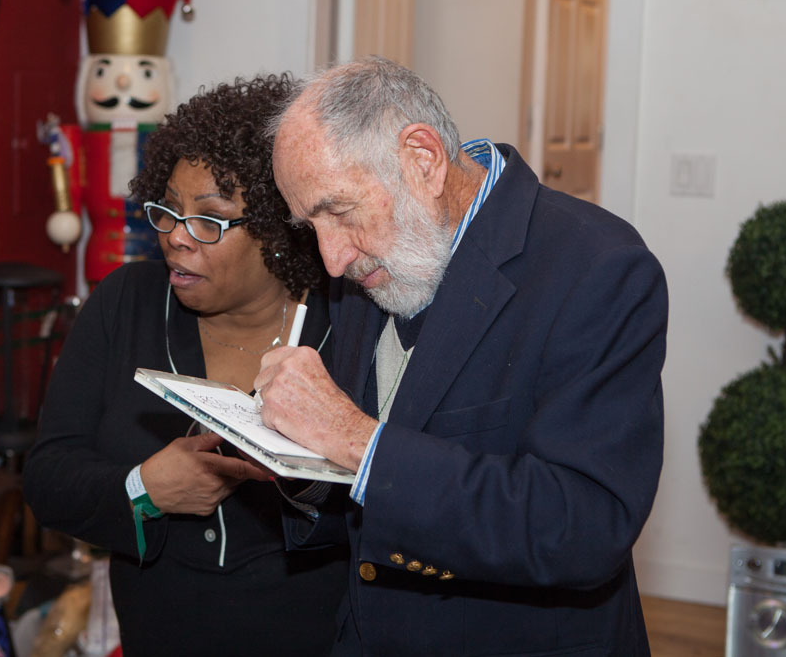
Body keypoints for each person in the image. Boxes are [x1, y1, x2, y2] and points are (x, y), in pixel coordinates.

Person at [254, 56, 668, 655]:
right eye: (309, 224)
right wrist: (297, 466)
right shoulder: (372, 262)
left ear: (422, 160)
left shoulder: (598, 266)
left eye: (339, 211)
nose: (331, 259)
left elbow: (582, 527)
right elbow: (365, 501)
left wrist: (353, 440)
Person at [23, 73, 347, 656]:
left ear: (277, 231)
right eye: (168, 212)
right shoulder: (127, 303)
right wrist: (144, 487)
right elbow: (48, 480)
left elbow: (396, 502)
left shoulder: (345, 324)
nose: (176, 238)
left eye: (210, 220)